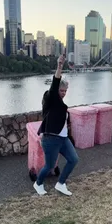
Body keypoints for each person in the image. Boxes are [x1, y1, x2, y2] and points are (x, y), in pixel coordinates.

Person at [33, 54, 79, 196]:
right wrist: (59, 66)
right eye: (61, 90)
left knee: (73, 159)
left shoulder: (60, 103)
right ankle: (38, 183)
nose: (63, 93)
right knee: (49, 166)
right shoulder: (50, 98)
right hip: (51, 139)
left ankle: (61, 183)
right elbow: (55, 83)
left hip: (63, 139)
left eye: (65, 91)